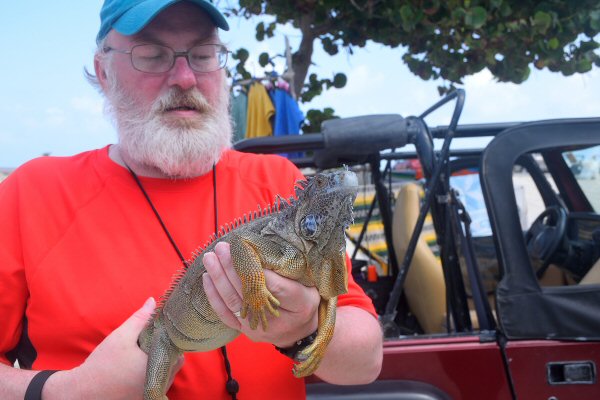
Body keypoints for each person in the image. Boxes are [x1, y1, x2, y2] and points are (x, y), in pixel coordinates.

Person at [0, 1, 383, 399]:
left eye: (203, 55)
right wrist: (62, 392)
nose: (184, 78)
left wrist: (305, 328)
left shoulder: (281, 185)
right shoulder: (32, 193)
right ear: (104, 72)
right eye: (152, 55)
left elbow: (366, 362)